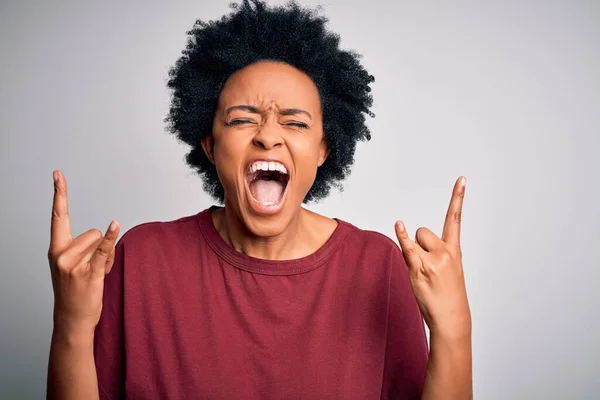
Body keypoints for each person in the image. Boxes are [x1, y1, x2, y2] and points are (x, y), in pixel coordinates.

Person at [46, 1, 472, 399]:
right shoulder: (141, 259)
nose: (268, 135)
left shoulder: (378, 266)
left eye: (295, 122)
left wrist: (454, 331)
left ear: (324, 149)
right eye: (242, 119)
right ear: (211, 145)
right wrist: (71, 325)